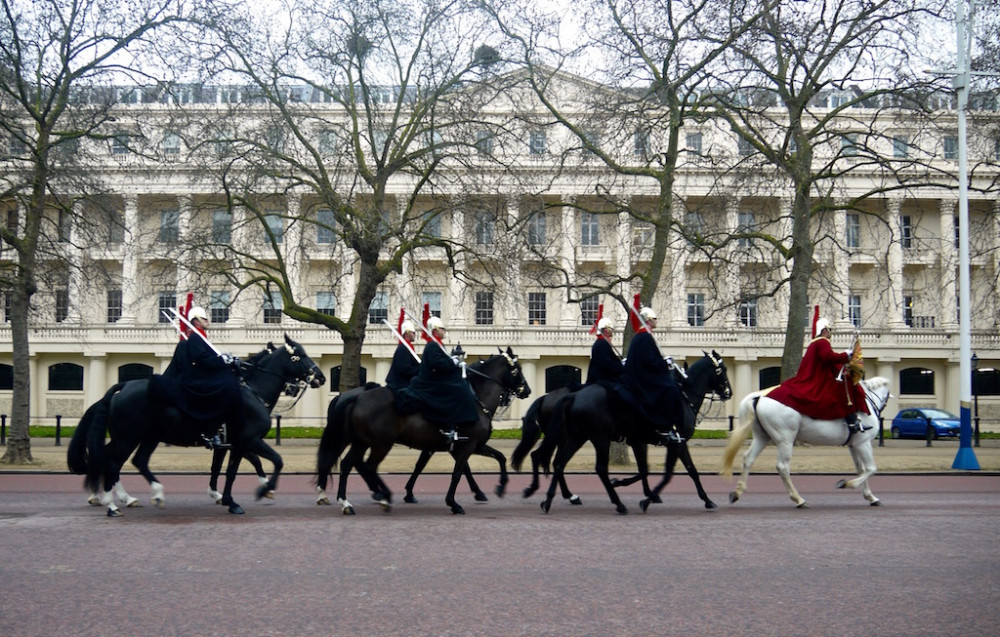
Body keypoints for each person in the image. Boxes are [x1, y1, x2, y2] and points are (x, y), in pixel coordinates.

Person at [154, 306, 243, 449]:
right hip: (195, 378)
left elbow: (208, 356)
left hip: (198, 375)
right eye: (205, 318)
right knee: (223, 389)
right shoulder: (196, 337)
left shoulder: (200, 336)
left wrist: (223, 357)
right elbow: (201, 359)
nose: (208, 320)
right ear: (196, 321)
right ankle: (210, 432)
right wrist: (222, 360)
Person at [765, 317, 868, 433]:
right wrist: (845, 355)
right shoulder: (822, 342)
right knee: (844, 387)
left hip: (816, 375)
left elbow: (827, 357)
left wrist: (844, 356)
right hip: (820, 378)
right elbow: (828, 357)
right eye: (829, 330)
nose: (830, 333)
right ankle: (852, 421)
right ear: (824, 330)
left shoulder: (815, 343)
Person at [616, 306, 686, 445]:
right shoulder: (644, 336)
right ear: (648, 320)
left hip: (642, 374)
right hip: (644, 376)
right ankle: (665, 428)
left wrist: (662, 361)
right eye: (654, 319)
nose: (656, 321)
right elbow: (649, 361)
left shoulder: (643, 335)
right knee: (670, 389)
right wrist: (664, 364)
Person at [402, 316, 479, 442]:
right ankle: (450, 426)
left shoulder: (437, 344)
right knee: (459, 390)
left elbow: (443, 362)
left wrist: (455, 362)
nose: (444, 331)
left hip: (436, 379)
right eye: (442, 329)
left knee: (461, 385)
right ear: (435, 330)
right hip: (431, 381)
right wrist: (453, 362)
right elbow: (438, 364)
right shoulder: (433, 345)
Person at [586, 317, 623, 385]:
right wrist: (621, 366)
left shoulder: (601, 342)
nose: (612, 331)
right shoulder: (603, 343)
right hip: (603, 378)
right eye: (611, 329)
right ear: (606, 329)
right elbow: (607, 363)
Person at [385, 320, 420, 391]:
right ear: (407, 333)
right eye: (413, 333)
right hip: (400, 384)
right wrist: (420, 370)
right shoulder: (403, 348)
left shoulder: (408, 347)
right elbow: (404, 369)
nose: (414, 335)